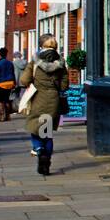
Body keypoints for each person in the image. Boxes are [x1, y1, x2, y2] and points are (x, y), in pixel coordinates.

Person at [21, 34, 68, 176]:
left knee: (35, 128)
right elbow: (65, 85)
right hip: (52, 100)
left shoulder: (35, 61)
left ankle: (39, 150)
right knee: (47, 132)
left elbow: (24, 80)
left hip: (37, 99)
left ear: (41, 45)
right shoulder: (60, 62)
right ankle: (46, 160)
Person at [0, 47, 17, 122]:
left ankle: (2, 116)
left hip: (0, 84)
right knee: (7, 100)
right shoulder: (10, 63)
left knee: (0, 101)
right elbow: (12, 73)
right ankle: (8, 116)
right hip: (9, 83)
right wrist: (14, 83)